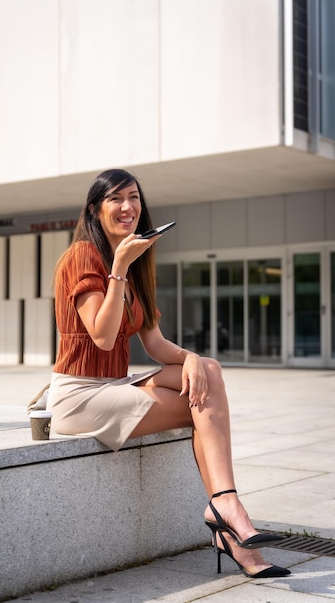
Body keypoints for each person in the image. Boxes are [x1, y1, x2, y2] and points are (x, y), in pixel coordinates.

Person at [47, 168, 290, 579]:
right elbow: (104, 338)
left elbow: (155, 344)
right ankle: (226, 517)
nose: (128, 207)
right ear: (95, 209)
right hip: (79, 397)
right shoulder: (83, 257)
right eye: (116, 199)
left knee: (207, 372)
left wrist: (191, 358)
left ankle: (225, 506)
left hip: (114, 387)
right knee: (203, 394)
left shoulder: (134, 260)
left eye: (134, 198)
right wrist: (119, 266)